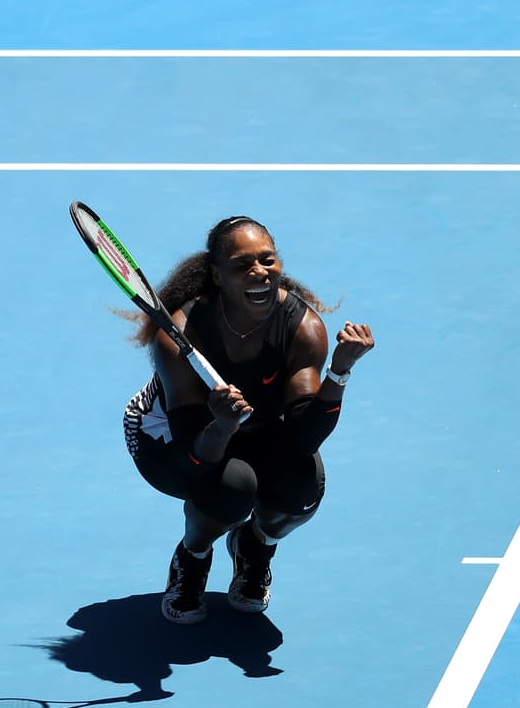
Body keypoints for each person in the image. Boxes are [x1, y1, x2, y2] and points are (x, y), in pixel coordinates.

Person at [122, 214, 375, 624]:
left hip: (256, 428)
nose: (259, 272)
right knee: (231, 488)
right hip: (168, 439)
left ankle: (254, 547)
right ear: (218, 277)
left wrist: (338, 373)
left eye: (268, 261)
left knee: (302, 487)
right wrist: (220, 425)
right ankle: (193, 557)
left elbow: (303, 437)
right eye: (242, 265)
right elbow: (191, 459)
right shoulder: (180, 335)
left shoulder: (304, 328)